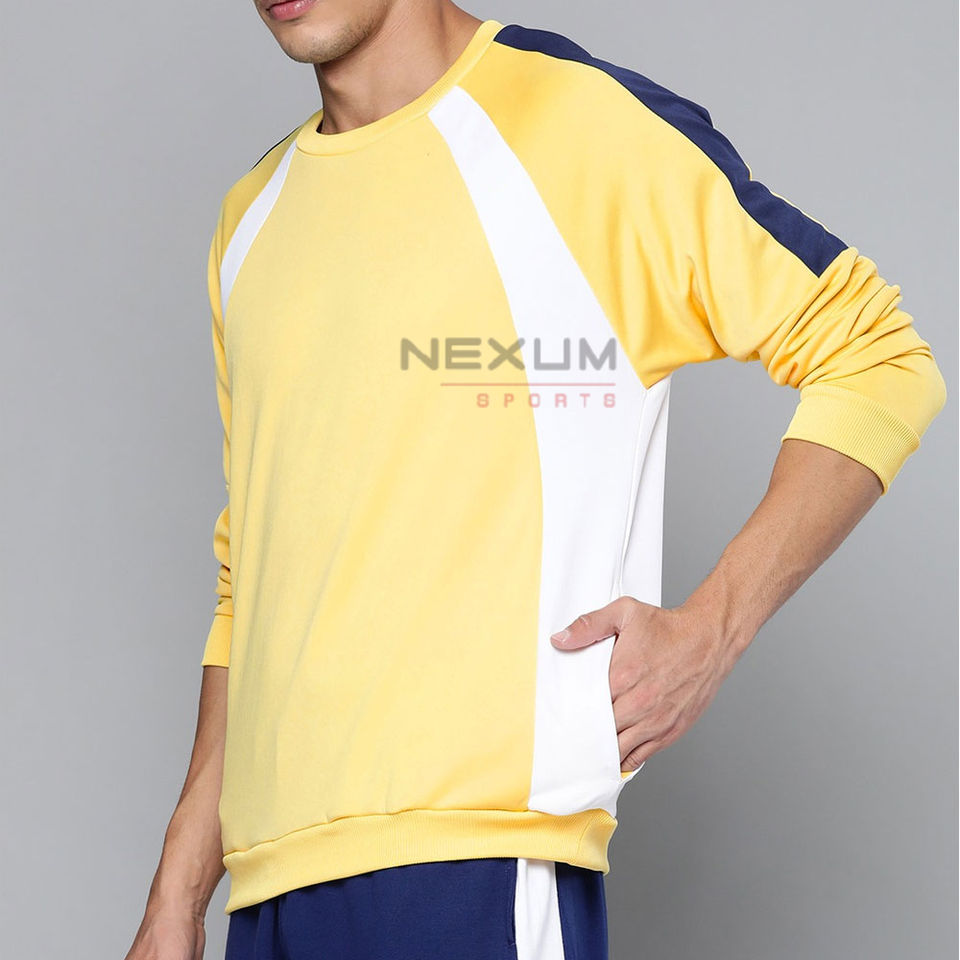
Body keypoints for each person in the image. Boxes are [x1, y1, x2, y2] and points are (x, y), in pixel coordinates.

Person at [123, 2, 947, 958]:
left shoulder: (578, 124)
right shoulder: (252, 219)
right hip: (269, 890)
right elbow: (253, 580)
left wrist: (714, 628)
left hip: (476, 868)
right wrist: (178, 892)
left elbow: (879, 357)